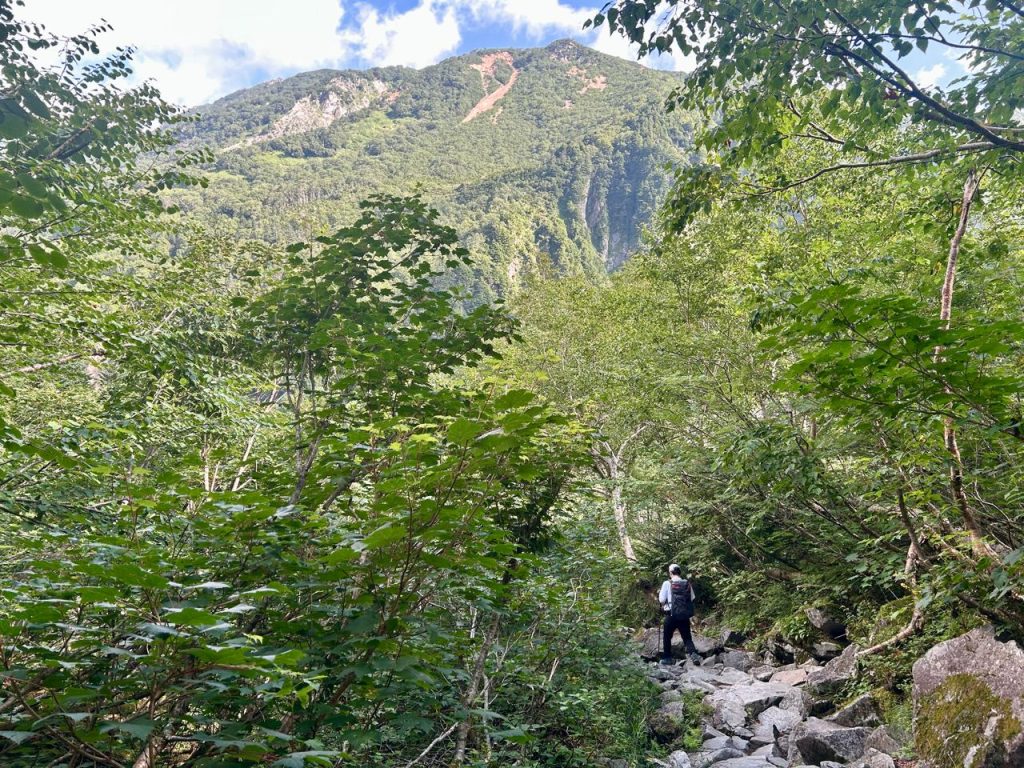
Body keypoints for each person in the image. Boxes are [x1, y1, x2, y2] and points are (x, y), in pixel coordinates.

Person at [658, 563, 700, 666]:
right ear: (679, 572)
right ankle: (693, 654)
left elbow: (662, 600)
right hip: (684, 615)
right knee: (687, 638)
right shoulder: (686, 583)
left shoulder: (667, 583)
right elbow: (692, 598)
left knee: (667, 636)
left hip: (671, 615)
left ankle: (667, 658)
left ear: (671, 572)